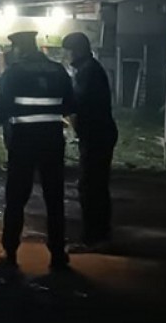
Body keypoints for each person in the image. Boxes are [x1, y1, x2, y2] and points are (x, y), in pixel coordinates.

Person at [0, 31, 75, 271]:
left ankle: (10, 250)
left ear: (19, 49)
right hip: (52, 140)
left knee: (16, 197)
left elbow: (2, 107)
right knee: (54, 198)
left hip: (23, 141)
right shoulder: (58, 70)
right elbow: (69, 105)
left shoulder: (13, 72)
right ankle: (58, 253)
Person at [63, 31, 118, 251]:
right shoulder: (89, 69)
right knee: (96, 185)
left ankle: (93, 238)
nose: (67, 56)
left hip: (97, 135)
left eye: (68, 51)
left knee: (91, 187)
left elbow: (79, 101)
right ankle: (100, 235)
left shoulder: (88, 72)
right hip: (98, 133)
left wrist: (63, 102)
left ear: (77, 50)